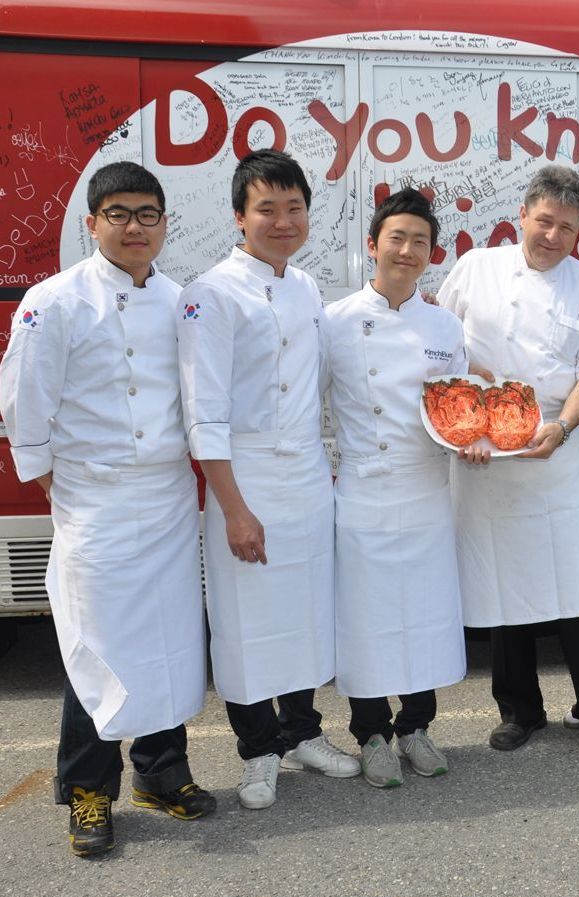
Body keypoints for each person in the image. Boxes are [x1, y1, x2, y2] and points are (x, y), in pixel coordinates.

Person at [0, 161, 214, 856]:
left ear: (163, 225)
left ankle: (162, 771)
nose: (133, 226)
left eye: (146, 214)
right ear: (92, 223)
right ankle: (88, 790)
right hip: (95, 501)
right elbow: (25, 407)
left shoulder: (182, 301)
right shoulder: (54, 301)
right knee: (97, 646)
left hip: (168, 500)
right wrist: (61, 491)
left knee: (172, 642)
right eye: (117, 213)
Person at [436, 165, 579, 769]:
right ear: (522, 214)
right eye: (543, 221)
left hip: (555, 446)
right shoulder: (476, 268)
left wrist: (564, 425)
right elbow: (441, 343)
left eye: (566, 228)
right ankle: (519, 710)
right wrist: (467, 404)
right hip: (484, 451)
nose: (551, 235)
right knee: (500, 582)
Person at [178, 149, 359, 809]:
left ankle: (302, 732)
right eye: (267, 209)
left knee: (306, 612)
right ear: (239, 216)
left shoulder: (307, 287)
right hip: (245, 474)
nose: (283, 221)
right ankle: (257, 749)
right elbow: (204, 412)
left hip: (307, 474)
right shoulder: (211, 293)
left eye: (295, 208)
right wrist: (232, 507)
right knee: (247, 619)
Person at [322, 188, 467, 786]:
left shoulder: (443, 323)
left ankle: (417, 726)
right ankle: (372, 734)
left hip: (427, 486)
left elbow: (456, 407)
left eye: (421, 242)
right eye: (397, 238)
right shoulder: (332, 322)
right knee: (368, 620)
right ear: (373, 244)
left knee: (426, 615)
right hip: (361, 487)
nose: (408, 250)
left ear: (432, 254)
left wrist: (474, 442)